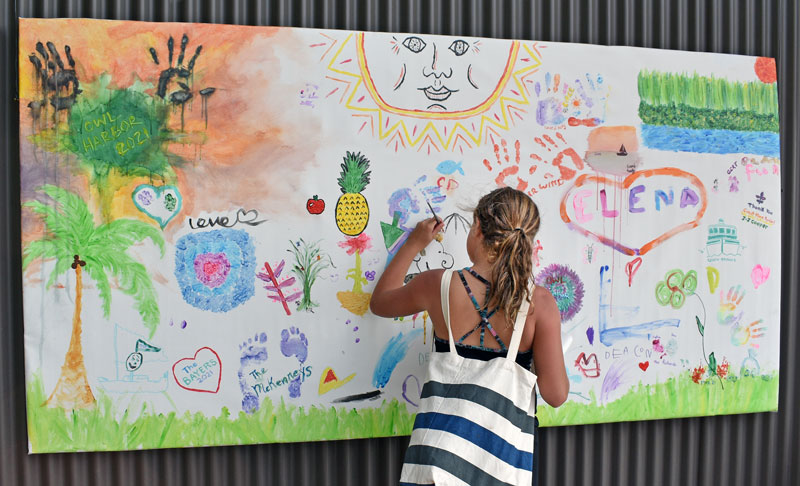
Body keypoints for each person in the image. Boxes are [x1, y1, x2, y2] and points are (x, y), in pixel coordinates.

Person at [370, 186, 569, 485]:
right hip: (500, 467)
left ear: (477, 227)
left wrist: (413, 244)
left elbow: (380, 301)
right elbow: (556, 395)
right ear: (527, 239)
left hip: (436, 463)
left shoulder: (438, 285)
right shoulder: (539, 304)